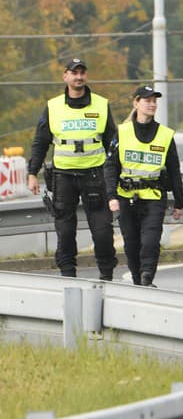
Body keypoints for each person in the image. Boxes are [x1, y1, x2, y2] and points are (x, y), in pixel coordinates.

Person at [27, 58, 118, 279]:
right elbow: (40, 142)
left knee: (103, 232)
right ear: (65, 76)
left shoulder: (101, 104)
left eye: (82, 73)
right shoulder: (53, 106)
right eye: (74, 73)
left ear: (86, 76)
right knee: (65, 232)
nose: (78, 77)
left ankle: (106, 275)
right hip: (63, 176)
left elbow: (113, 145)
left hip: (95, 175)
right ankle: (68, 277)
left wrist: (117, 175)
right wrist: (32, 173)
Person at [104, 85, 183, 287]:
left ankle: (147, 275)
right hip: (126, 196)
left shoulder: (165, 135)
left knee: (150, 240)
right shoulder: (122, 132)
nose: (152, 104)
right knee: (131, 244)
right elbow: (111, 166)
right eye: (148, 100)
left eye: (155, 101)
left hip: (154, 196)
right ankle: (138, 279)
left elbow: (174, 170)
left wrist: (179, 203)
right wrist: (112, 196)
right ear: (136, 103)